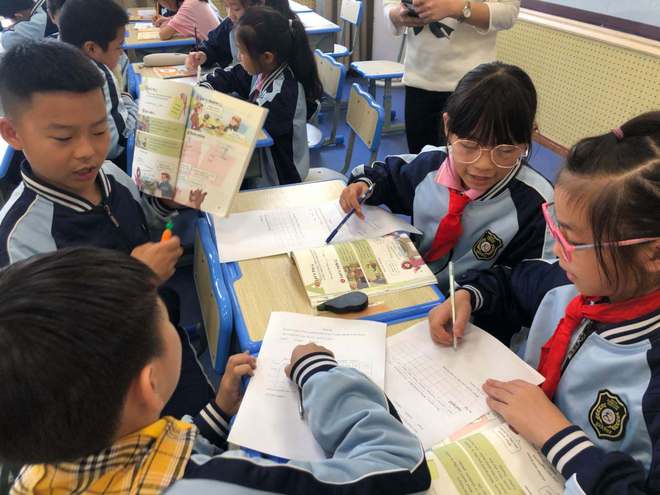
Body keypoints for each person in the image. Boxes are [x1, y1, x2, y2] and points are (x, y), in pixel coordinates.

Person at [2, 247, 431, 494]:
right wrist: (317, 370)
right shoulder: (225, 483)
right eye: (166, 319)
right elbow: (399, 467)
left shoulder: (35, 469)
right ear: (149, 385)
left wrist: (216, 415)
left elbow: (144, 451)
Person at [429, 111, 660, 493]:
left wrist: (557, 435)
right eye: (556, 226)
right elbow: (509, 281)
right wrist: (468, 296)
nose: (557, 249)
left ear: (652, 254)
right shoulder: (574, 283)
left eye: (570, 238)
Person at [0, 39, 213, 418]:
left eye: (99, 131)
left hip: (161, 340)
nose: (87, 151)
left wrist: (164, 204)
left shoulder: (110, 174)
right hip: (115, 397)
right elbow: (52, 353)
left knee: (206, 422)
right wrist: (134, 279)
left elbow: (143, 222)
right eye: (63, 137)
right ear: (13, 134)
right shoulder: (20, 239)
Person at [341, 62, 553, 289]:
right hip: (413, 284)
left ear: (529, 136)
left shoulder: (537, 204)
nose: (482, 166)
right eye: (469, 145)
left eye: (505, 151)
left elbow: (530, 283)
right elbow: (387, 176)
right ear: (448, 126)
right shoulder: (430, 165)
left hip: (474, 315)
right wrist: (364, 185)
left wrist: (473, 297)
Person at [201, 6, 322, 187]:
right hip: (262, 162)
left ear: (267, 57)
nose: (239, 57)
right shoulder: (260, 70)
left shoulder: (285, 93)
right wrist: (205, 86)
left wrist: (209, 116)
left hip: (281, 176)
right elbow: (232, 75)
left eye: (242, 52)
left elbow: (250, 126)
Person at [383, 0, 520, 153]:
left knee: (467, 162)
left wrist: (456, 8)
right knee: (420, 163)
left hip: (471, 85)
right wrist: (398, 15)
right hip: (419, 77)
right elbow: (389, 5)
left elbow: (508, 13)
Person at [58, 0, 137, 170]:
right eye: (119, 46)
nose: (122, 52)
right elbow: (119, 142)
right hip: (105, 166)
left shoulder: (54, 56)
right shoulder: (98, 74)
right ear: (92, 49)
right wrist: (132, 103)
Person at [185, 0, 260, 71]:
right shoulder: (230, 24)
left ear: (259, 4)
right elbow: (213, 45)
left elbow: (247, 75)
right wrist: (202, 54)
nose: (230, 15)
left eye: (236, 9)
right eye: (226, 7)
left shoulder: (264, 31)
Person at [154, 0, 220, 40]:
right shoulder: (192, 2)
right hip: (216, 50)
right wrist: (167, 19)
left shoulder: (189, 5)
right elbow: (181, 18)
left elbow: (163, 35)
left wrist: (165, 24)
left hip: (213, 57)